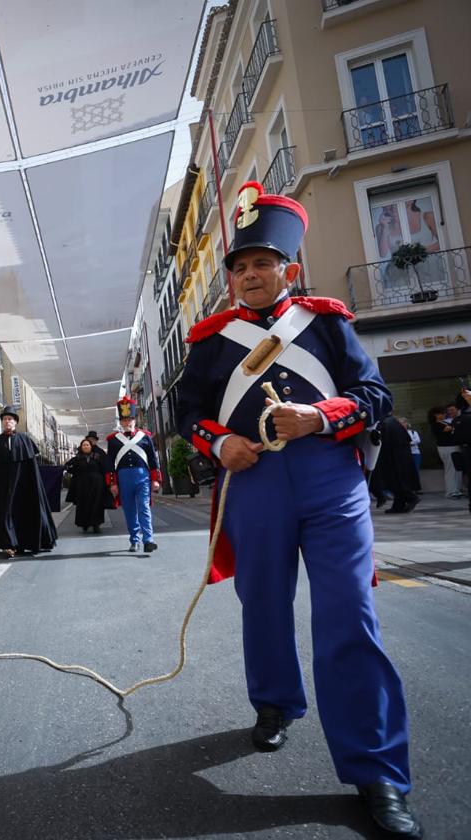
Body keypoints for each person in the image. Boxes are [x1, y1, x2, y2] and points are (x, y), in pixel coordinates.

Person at [175, 180, 421, 838]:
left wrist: (319, 415)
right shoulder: (211, 339)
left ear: (289, 269)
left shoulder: (327, 322)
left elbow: (374, 395)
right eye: (241, 267)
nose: (251, 275)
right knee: (263, 601)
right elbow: (186, 411)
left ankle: (377, 771)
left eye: (262, 264)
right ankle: (276, 703)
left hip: (329, 478)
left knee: (349, 614)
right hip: (252, 480)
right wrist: (218, 440)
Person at [0, 405, 57, 558]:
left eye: (10, 419)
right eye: (4, 419)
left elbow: (32, 469)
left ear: (15, 422)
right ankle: (9, 544)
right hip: (4, 488)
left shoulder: (25, 440)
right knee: (5, 514)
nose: (7, 422)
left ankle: (23, 543)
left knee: (25, 514)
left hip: (23, 487)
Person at [106, 397, 161, 553]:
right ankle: (134, 540)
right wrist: (112, 483)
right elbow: (110, 463)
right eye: (124, 420)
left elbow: (152, 459)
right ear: (121, 422)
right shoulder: (113, 440)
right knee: (129, 509)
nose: (127, 422)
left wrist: (155, 479)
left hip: (143, 477)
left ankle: (148, 540)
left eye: (130, 419)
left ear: (134, 420)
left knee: (144, 507)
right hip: (123, 478)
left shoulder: (145, 437)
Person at [374, 414, 420, 514]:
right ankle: (398, 505)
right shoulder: (391, 422)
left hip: (394, 458)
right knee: (396, 480)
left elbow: (382, 441)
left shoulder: (385, 423)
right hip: (400, 457)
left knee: (394, 480)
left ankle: (411, 497)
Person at [65, 438, 108, 534]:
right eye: (84, 445)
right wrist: (68, 468)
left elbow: (104, 468)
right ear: (81, 447)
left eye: (87, 445)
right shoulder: (77, 458)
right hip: (82, 485)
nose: (85, 446)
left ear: (91, 447)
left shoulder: (97, 456)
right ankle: (84, 523)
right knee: (83, 504)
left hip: (97, 485)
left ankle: (96, 524)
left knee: (97, 504)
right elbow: (69, 467)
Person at [432, 404, 464, 498]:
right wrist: (458, 419)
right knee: (451, 469)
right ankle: (451, 491)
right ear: (435, 415)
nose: (444, 414)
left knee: (457, 469)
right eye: (441, 413)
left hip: (453, 446)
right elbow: (451, 428)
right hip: (447, 448)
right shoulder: (436, 424)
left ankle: (456, 489)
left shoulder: (444, 422)